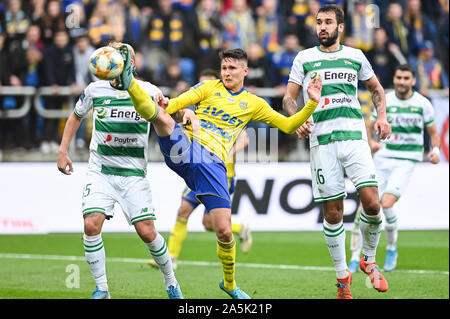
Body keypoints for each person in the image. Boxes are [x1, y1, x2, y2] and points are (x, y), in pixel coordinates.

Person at [111, 45, 322, 299]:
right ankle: (129, 80)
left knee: (222, 230)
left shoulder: (253, 103)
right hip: (186, 149)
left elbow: (288, 126)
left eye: (232, 68)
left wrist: (310, 103)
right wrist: (177, 108)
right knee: (161, 118)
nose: (227, 72)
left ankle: (230, 284)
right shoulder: (207, 88)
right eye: (224, 68)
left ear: (245, 71)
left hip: (213, 166)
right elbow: (172, 105)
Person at [56, 42, 184, 299]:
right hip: (101, 170)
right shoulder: (95, 89)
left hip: (133, 174)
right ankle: (102, 289)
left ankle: (171, 282)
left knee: (147, 232)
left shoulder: (148, 90)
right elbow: (76, 116)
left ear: (130, 65)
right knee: (91, 225)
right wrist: (63, 151)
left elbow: (170, 117)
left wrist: (182, 113)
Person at [282, 4, 391, 299]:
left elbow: (376, 87)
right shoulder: (304, 58)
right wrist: (299, 118)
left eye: (328, 22)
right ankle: (343, 277)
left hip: (355, 138)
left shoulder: (355, 56)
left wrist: (381, 116)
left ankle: (368, 259)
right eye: (319, 22)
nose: (322, 27)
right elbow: (288, 99)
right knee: (333, 213)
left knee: (372, 204)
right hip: (322, 143)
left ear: (340, 26)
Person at [148, 69, 252, 271]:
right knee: (185, 211)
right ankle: (172, 257)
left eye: (207, 83)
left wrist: (228, 152)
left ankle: (239, 229)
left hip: (221, 174)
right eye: (200, 84)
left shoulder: (227, 110)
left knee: (208, 223)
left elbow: (245, 138)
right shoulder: (195, 110)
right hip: (198, 171)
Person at [348, 64, 441, 273]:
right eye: (399, 77)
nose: (401, 81)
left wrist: (434, 149)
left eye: (406, 78)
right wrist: (371, 142)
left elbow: (433, 132)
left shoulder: (422, 104)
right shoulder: (385, 100)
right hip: (382, 159)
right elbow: (370, 125)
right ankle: (355, 258)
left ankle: (391, 248)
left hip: (406, 160)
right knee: (363, 208)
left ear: (413, 81)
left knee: (386, 204)